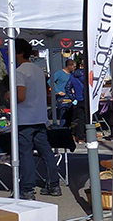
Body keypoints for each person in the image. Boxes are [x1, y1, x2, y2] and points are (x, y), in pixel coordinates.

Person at [12, 38, 61, 199]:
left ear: (18, 52)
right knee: (46, 153)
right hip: (40, 117)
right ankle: (54, 185)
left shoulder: (19, 72)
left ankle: (27, 189)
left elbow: (20, 96)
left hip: (25, 119)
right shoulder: (38, 70)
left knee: (25, 154)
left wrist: (8, 95)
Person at [64, 61, 86, 142]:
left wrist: (73, 98)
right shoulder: (89, 74)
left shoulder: (73, 76)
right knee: (88, 119)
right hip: (88, 100)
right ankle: (88, 136)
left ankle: (80, 137)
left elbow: (67, 88)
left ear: (80, 66)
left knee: (80, 119)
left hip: (78, 99)